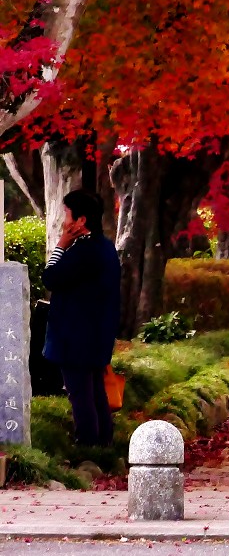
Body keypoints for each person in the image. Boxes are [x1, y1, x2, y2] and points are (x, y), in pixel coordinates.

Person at [42, 190, 121, 447]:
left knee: (80, 394)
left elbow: (51, 277)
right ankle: (103, 444)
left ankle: (87, 446)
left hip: (75, 336)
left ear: (80, 221)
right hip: (96, 334)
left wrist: (61, 245)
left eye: (66, 214)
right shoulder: (105, 247)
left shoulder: (83, 251)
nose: (64, 221)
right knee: (95, 392)